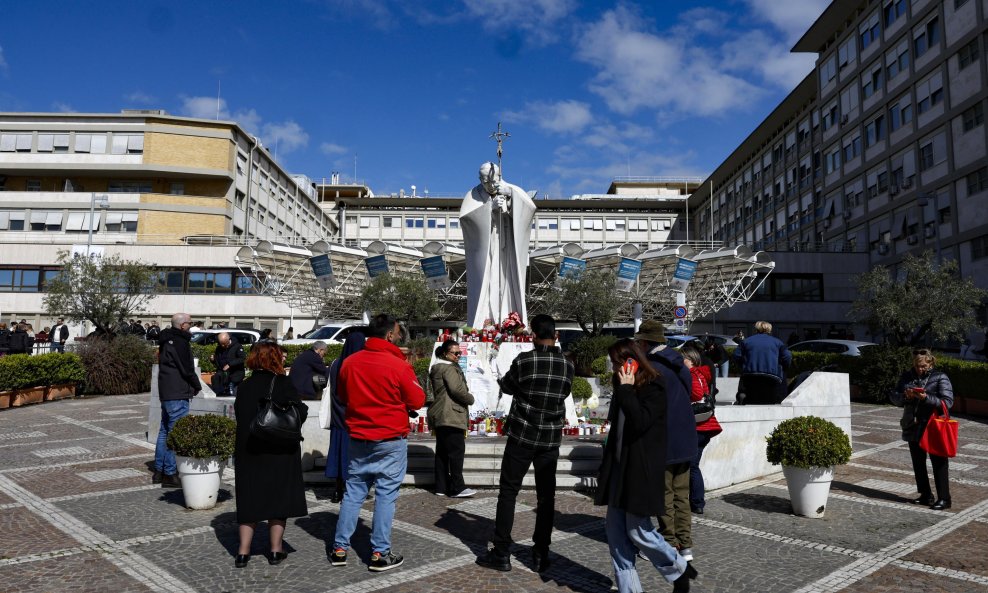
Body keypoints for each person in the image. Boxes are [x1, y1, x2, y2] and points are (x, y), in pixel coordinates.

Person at [595, 339, 697, 593]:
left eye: (617, 362)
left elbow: (640, 422)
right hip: (619, 469)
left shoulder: (655, 386)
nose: (614, 368)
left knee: (639, 530)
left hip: (640, 472)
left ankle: (679, 569)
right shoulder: (622, 387)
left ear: (632, 361)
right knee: (617, 538)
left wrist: (627, 390)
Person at [476, 314, 574, 573]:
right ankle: (541, 552)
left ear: (532, 336)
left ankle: (502, 553)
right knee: (546, 497)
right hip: (550, 438)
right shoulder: (567, 364)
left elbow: (507, 387)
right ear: (556, 336)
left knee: (508, 492)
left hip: (522, 435)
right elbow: (563, 393)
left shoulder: (525, 360)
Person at [332, 313, 425, 572]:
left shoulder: (349, 362)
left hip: (358, 436)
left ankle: (340, 548)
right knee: (386, 495)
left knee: (353, 493)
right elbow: (417, 400)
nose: (398, 336)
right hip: (390, 438)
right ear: (389, 335)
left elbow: (341, 396)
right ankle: (379, 553)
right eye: (397, 332)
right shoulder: (398, 364)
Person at [232, 340, 308, 568]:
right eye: (280, 355)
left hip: (249, 449)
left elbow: (240, 415)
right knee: (278, 499)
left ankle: (243, 552)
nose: (284, 358)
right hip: (279, 450)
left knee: (249, 500)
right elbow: (300, 413)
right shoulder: (283, 383)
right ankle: (275, 550)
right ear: (273, 358)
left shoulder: (244, 386)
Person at [634, 320, 697, 562]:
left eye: (640, 341)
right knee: (682, 494)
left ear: (647, 343)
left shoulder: (651, 367)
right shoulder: (679, 363)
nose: (638, 345)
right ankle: (686, 545)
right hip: (685, 435)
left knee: (664, 494)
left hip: (664, 438)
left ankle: (668, 543)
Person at [460, 161, 537, 329]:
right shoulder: (473, 195)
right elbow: (467, 219)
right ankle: (485, 322)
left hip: (508, 246)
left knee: (508, 279)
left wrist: (510, 201)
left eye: (492, 181)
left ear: (498, 176)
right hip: (487, 249)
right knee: (487, 283)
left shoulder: (511, 189)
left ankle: (510, 320)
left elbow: (529, 208)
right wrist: (489, 209)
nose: (489, 185)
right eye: (484, 181)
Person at [891, 349, 954, 510]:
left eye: (924, 366)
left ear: (931, 363)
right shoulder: (907, 376)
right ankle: (925, 494)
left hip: (932, 426)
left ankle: (945, 498)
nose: (920, 369)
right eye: (917, 366)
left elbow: (947, 402)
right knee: (918, 463)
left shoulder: (940, 377)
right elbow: (894, 397)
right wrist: (906, 396)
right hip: (912, 424)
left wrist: (926, 398)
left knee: (938, 462)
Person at [153, 313, 201, 488]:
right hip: (177, 391)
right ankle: (170, 473)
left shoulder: (166, 339)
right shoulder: (180, 341)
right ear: (182, 326)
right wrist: (197, 385)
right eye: (190, 323)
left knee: (165, 430)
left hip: (167, 390)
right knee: (175, 433)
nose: (191, 326)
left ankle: (159, 471)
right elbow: (187, 368)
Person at [428, 339, 476, 498]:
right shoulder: (449, 369)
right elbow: (456, 390)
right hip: (452, 415)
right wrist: (470, 398)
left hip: (440, 414)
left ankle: (441, 487)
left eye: (459, 353)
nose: (458, 356)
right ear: (445, 353)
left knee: (442, 452)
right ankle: (458, 487)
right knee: (456, 451)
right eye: (455, 353)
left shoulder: (436, 367)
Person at [679, 344, 723, 517]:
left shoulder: (692, 374)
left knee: (692, 466)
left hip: (700, 427)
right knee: (692, 465)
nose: (680, 361)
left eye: (683, 358)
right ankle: (695, 501)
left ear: (690, 360)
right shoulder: (701, 373)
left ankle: (697, 502)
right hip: (706, 427)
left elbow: (697, 395)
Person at [324, 332, 366, 503]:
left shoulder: (335, 364)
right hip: (353, 418)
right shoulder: (358, 364)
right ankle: (351, 490)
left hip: (337, 416)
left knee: (337, 453)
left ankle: (337, 490)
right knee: (353, 457)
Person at [732, 321, 791, 405]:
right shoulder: (778, 342)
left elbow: (736, 355)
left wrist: (744, 366)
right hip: (772, 378)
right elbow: (787, 357)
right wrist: (783, 368)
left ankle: (742, 397)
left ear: (756, 329)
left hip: (749, 376)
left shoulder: (746, 342)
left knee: (743, 389)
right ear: (769, 330)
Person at [210, 332, 246, 396]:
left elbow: (242, 358)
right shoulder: (219, 348)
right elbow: (218, 361)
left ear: (229, 339)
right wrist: (213, 359)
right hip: (223, 375)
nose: (223, 346)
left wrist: (230, 364)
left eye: (224, 343)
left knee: (233, 395)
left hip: (235, 374)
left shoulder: (237, 346)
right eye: (221, 344)